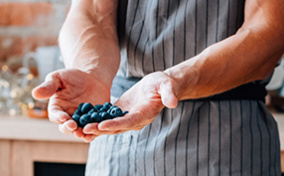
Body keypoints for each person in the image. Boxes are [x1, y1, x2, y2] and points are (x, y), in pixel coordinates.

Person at [32, 0, 284, 175]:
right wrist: (90, 70)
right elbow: (90, 13)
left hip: (229, 142)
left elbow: (268, 32)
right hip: (118, 137)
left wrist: (176, 80)